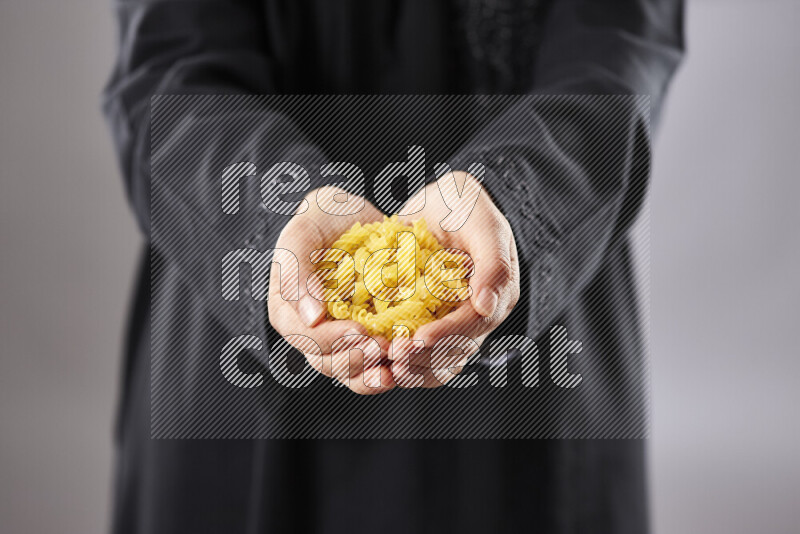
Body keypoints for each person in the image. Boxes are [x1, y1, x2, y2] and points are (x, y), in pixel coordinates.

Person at [103, 0, 683, 532]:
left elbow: (617, 49)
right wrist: (271, 215)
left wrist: (516, 199)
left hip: (530, 328)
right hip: (239, 341)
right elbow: (170, 68)